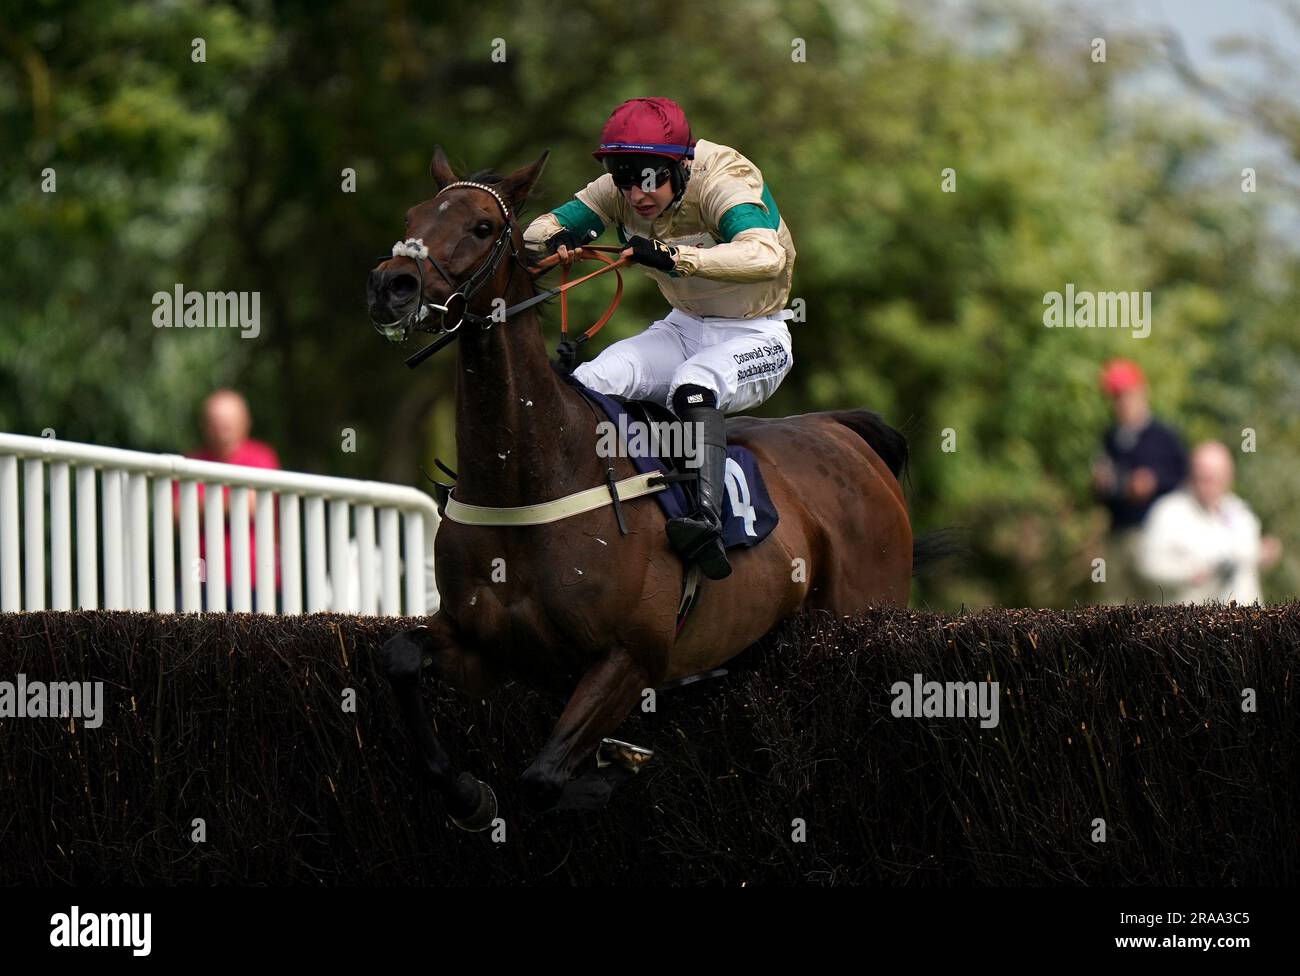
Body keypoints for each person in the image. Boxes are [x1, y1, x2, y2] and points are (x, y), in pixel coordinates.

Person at [524, 97, 797, 580]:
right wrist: (555, 238)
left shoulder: (724, 179)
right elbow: (537, 230)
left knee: (694, 384)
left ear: (681, 164)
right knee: (589, 381)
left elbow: (765, 257)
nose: (637, 195)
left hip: (758, 332)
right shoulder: (623, 187)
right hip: (683, 326)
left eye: (649, 179)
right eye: (624, 179)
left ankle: (708, 521)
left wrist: (673, 257)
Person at [1136, 441, 1282, 603]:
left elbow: (1249, 554)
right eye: (1204, 477)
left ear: (1229, 476)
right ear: (1191, 475)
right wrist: (1189, 573)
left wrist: (1264, 553)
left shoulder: (1239, 511)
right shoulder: (1168, 512)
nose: (1211, 483)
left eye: (1217, 476)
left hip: (1245, 621)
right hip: (1191, 621)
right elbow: (1148, 564)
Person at [1091, 359, 1186, 601]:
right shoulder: (1111, 438)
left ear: (1142, 392)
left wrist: (1153, 482)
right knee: (1113, 611)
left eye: (1126, 395)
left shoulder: (1164, 436)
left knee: (1159, 611)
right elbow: (1105, 494)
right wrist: (1102, 486)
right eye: (1116, 397)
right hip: (1120, 535)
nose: (1121, 402)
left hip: (1156, 535)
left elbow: (1184, 479)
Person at [184, 390, 281, 605]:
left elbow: (252, 506)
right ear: (204, 425)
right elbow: (177, 514)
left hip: (254, 580)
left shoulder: (261, 456)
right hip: (200, 578)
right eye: (215, 422)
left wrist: (200, 506)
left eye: (227, 422)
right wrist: (231, 502)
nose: (221, 430)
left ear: (245, 422)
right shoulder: (191, 461)